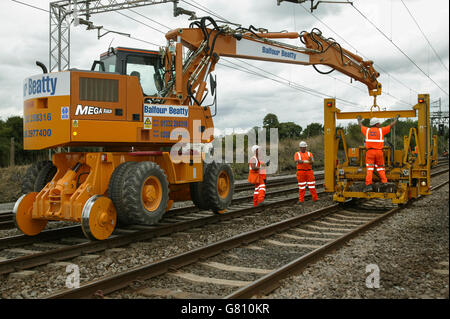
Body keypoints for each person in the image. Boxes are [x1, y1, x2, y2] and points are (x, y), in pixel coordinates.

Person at [357, 115, 399, 192]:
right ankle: (384, 182)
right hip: (379, 152)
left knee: (369, 169)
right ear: (376, 124)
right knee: (380, 168)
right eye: (379, 123)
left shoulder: (367, 130)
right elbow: (391, 126)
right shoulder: (381, 130)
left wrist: (358, 119)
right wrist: (396, 119)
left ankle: (369, 185)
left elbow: (360, 125)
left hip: (370, 152)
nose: (379, 124)